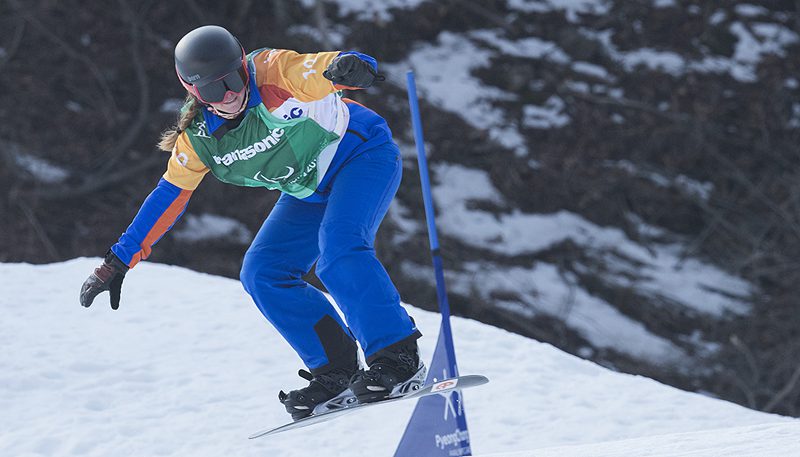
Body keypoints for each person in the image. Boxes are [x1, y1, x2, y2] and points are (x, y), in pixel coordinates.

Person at [79, 25, 424, 420]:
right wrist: (118, 260)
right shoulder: (199, 138)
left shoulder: (273, 73)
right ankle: (337, 371)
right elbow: (169, 196)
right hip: (307, 190)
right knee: (262, 272)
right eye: (213, 90)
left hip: (359, 157)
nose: (229, 95)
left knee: (340, 250)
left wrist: (350, 66)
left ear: (244, 67)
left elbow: (315, 68)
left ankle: (397, 356)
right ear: (194, 93)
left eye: (233, 79)